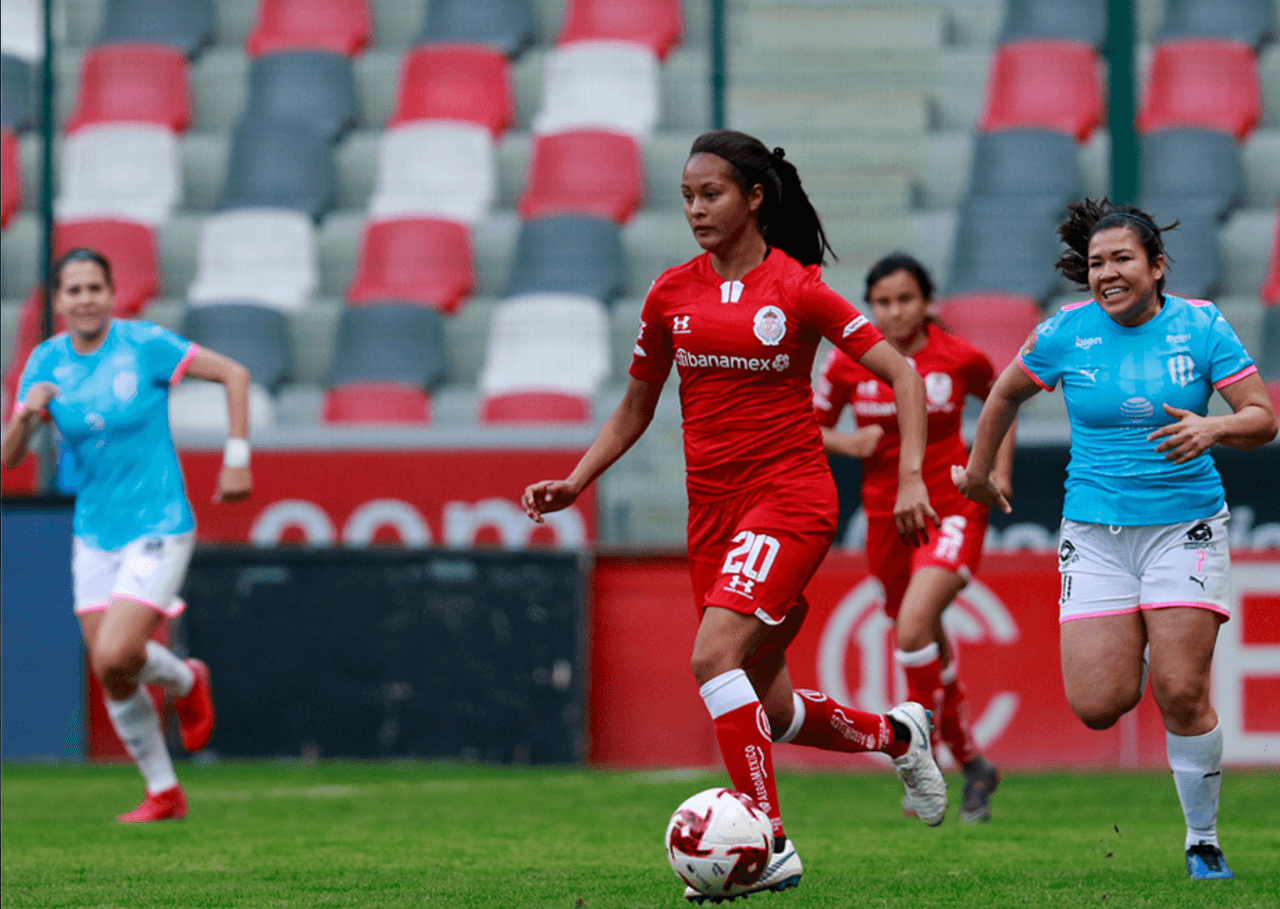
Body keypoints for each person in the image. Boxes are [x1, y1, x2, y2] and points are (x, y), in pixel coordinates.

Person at [522, 131, 949, 902]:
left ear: (754, 197)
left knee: (712, 656)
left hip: (790, 499)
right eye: (686, 196)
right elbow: (634, 408)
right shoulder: (669, 294)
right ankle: (900, 735)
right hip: (712, 516)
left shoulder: (800, 289)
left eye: (710, 194)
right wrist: (575, 480)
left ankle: (768, 842)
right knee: (771, 706)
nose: (695, 210)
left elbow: (904, 374)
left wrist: (913, 476)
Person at [953, 199, 1278, 880]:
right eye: (1097, 262)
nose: (1107, 272)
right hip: (1096, 536)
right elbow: (1004, 391)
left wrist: (1213, 428)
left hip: (1184, 527)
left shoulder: (1201, 325)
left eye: (1122, 258)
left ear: (1157, 267)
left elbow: (1262, 417)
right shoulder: (1064, 333)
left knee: (1181, 690)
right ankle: (1133, 633)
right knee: (1098, 705)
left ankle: (1202, 839)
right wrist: (982, 471)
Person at [1, 248, 255, 823]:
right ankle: (164, 790)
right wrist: (24, 415)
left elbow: (234, 375)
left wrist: (236, 458)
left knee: (117, 651)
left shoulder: (144, 345)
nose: (85, 299)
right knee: (111, 668)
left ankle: (187, 682)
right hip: (95, 531)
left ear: (112, 295)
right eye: (74, 290)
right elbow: (11, 457)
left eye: (95, 287)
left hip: (160, 521)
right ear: (58, 301)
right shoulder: (45, 363)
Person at [814, 252, 1012, 823]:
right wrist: (848, 446)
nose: (894, 311)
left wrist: (998, 473)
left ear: (928, 303)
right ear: (870, 306)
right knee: (926, 646)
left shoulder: (958, 357)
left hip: (950, 508)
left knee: (914, 626)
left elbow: (1004, 401)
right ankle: (974, 766)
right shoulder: (848, 362)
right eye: (882, 301)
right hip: (884, 520)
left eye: (905, 299)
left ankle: (915, 760)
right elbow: (809, 420)